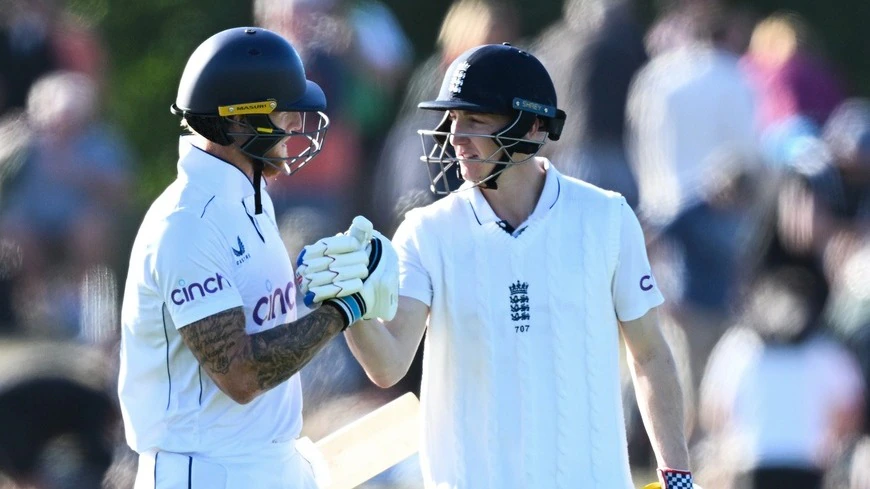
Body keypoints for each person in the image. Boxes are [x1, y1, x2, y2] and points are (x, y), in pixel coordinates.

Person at [298, 43, 695, 488]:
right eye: (452, 121)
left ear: (533, 127)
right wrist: (352, 308)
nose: (455, 137)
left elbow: (651, 354)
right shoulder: (426, 232)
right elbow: (388, 365)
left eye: (475, 121)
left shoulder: (606, 217)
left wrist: (677, 475)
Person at [117, 27, 396, 489]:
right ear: (239, 122)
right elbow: (241, 374)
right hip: (204, 471)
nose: (293, 125)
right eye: (282, 113)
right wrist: (342, 310)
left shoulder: (250, 192)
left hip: (266, 463)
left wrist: (318, 281)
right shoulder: (187, 223)